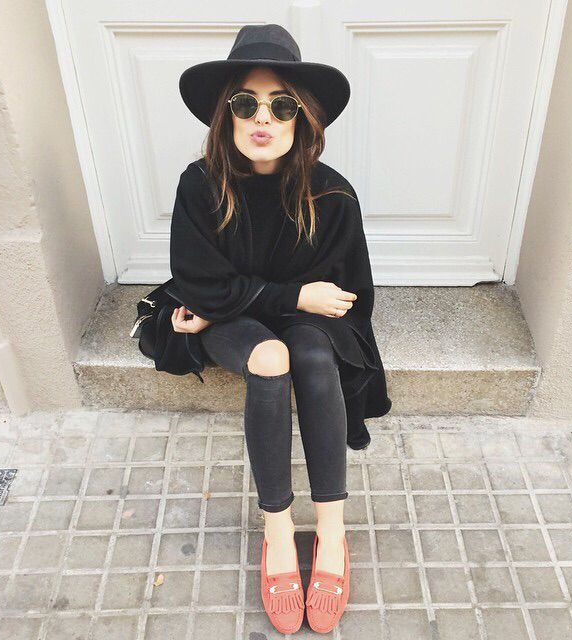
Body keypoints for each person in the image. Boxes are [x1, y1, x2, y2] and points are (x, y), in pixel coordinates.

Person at [170, 24, 392, 634]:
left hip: (292, 318)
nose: (262, 117)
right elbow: (203, 283)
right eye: (246, 103)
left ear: (303, 119)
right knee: (269, 359)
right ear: (226, 115)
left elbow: (346, 297)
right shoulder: (200, 184)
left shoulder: (332, 195)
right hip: (235, 319)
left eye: (281, 105)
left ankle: (332, 532)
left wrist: (272, 300)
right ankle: (276, 529)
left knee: (314, 359)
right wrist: (285, 295)